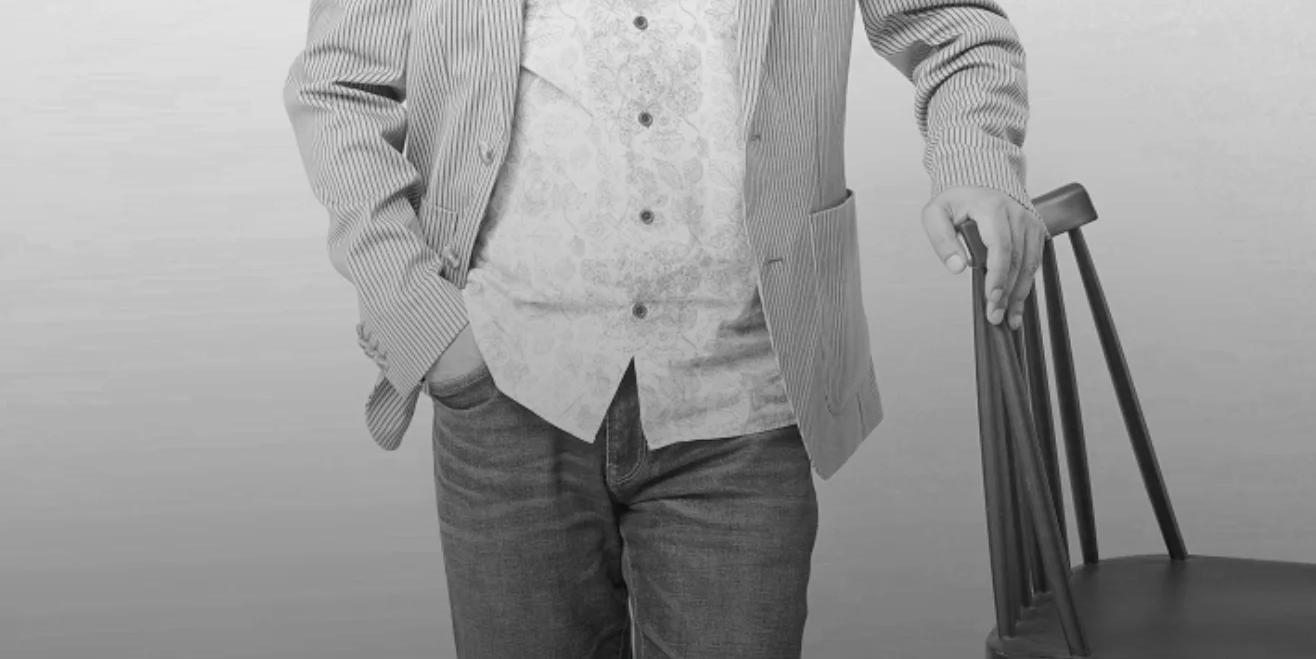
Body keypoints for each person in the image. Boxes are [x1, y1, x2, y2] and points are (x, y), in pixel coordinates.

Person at [283, 0, 1045, 656]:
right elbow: (339, 83)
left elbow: (956, 29)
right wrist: (424, 324)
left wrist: (975, 162)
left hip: (742, 393)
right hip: (505, 388)